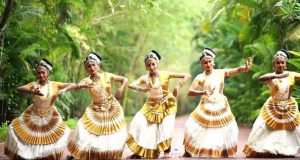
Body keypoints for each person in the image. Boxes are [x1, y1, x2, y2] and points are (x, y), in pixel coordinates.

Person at [183, 48, 252, 158]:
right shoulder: (200, 77)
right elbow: (190, 92)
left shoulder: (221, 73)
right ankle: (189, 148)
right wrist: (203, 92)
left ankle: (221, 150)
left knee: (227, 128)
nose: (208, 64)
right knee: (191, 126)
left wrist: (245, 68)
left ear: (213, 62)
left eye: (210, 61)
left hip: (220, 104)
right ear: (202, 64)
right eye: (205, 62)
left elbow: (237, 70)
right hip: (206, 105)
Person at [4, 58, 74, 159]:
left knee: (57, 134)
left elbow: (73, 84)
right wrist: (32, 91)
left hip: (50, 114)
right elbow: (19, 89)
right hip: (34, 113)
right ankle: (31, 155)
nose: (41, 75)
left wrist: (64, 90)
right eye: (39, 73)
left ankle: (46, 155)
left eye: (43, 73)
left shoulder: (55, 84)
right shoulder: (34, 85)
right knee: (16, 129)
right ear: (36, 74)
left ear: (48, 73)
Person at [126, 50, 190, 159]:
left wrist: (177, 87)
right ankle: (139, 151)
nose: (151, 67)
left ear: (157, 64)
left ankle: (166, 147)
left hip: (167, 103)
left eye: (153, 64)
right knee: (138, 122)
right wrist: (142, 89)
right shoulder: (145, 78)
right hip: (151, 104)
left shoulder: (165, 74)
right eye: (148, 65)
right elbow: (131, 85)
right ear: (146, 67)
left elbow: (186, 75)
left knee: (165, 127)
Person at [67, 52, 128, 160]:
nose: (91, 67)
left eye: (93, 65)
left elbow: (124, 79)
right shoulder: (86, 80)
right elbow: (76, 88)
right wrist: (82, 85)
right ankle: (78, 152)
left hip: (111, 107)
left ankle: (107, 153)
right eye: (88, 66)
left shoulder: (106, 75)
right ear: (86, 69)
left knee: (111, 132)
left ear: (98, 66)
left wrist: (120, 89)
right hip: (95, 108)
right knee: (82, 126)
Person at [243, 49, 300, 158]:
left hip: (288, 105)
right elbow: (261, 78)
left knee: (292, 128)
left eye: (282, 63)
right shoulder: (270, 75)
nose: (280, 65)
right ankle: (265, 148)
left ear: (285, 65)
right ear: (274, 65)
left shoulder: (291, 75)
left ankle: (285, 149)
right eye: (278, 63)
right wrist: (277, 76)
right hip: (273, 105)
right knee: (264, 127)